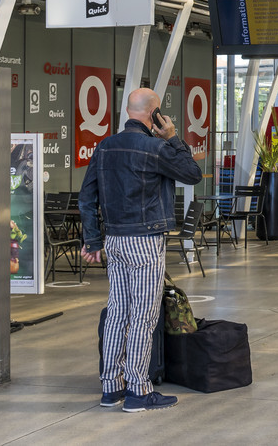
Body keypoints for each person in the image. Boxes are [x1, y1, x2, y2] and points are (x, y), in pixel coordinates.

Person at [80, 87, 202, 412]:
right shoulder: (157, 147)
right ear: (154, 115)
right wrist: (174, 137)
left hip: (115, 240)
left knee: (118, 312)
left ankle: (111, 388)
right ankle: (137, 390)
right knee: (144, 316)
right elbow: (193, 174)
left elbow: (86, 198)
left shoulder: (104, 147)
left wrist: (92, 240)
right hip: (145, 242)